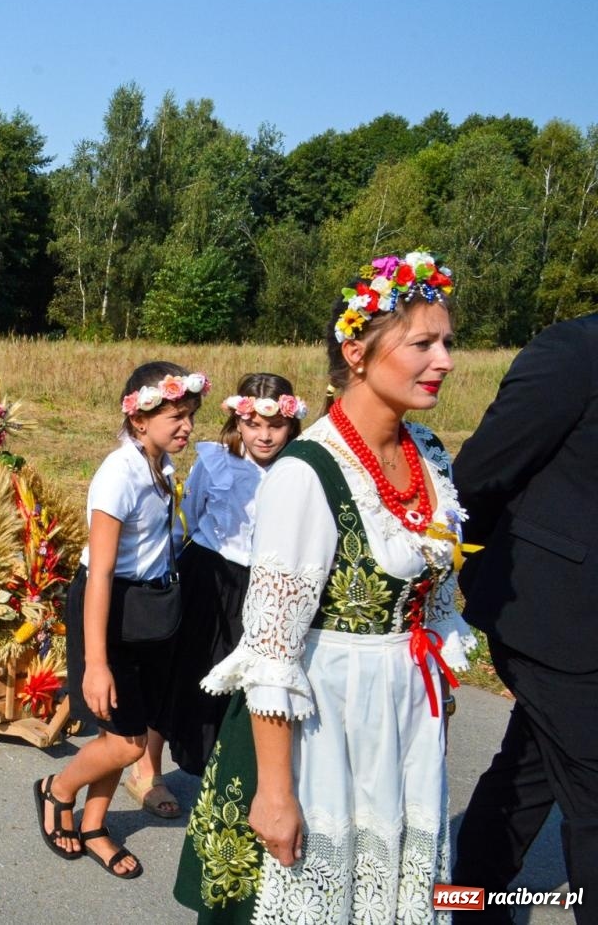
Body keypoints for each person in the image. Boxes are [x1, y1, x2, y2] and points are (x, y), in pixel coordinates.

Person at [174, 251, 472, 922]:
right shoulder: (308, 472)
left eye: (447, 343)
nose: (445, 361)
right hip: (325, 722)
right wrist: (275, 793)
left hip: (405, 716)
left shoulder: (430, 453)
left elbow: (435, 611)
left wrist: (435, 720)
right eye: (423, 344)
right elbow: (271, 652)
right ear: (357, 353)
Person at [34, 362, 206, 881]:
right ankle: (58, 789)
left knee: (123, 728)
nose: (187, 427)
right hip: (109, 609)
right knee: (127, 741)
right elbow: (102, 573)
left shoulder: (161, 465)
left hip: (147, 612)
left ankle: (93, 825)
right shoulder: (119, 474)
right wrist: (96, 663)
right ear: (139, 419)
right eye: (176, 417)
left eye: (191, 415)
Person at [452, 310, 598, 923]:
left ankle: (468, 904)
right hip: (555, 614)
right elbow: (482, 473)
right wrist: (481, 563)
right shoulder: (577, 350)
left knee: (531, 768)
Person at [150, 374, 305, 787]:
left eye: (275, 426)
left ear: (291, 425)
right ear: (238, 422)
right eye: (253, 424)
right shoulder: (216, 461)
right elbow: (188, 518)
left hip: (266, 586)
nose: (264, 436)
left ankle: (233, 775)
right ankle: (147, 771)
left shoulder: (299, 470)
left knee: (250, 683)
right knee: (185, 670)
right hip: (211, 577)